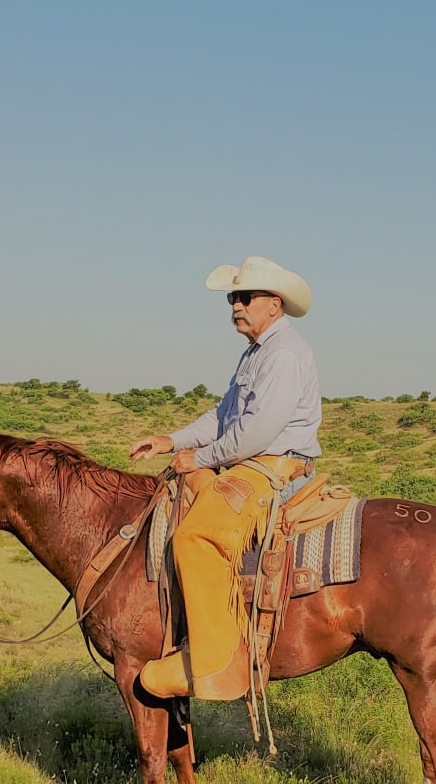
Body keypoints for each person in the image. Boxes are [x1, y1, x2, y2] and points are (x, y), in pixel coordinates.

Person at [128, 255, 322, 700]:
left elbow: (256, 432)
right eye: (233, 297)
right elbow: (223, 416)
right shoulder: (256, 353)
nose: (236, 305)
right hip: (249, 461)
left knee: (194, 538)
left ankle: (218, 666)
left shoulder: (283, 354)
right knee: (178, 497)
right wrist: (171, 441)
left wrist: (200, 458)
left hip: (271, 467)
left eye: (245, 297)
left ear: (273, 304)